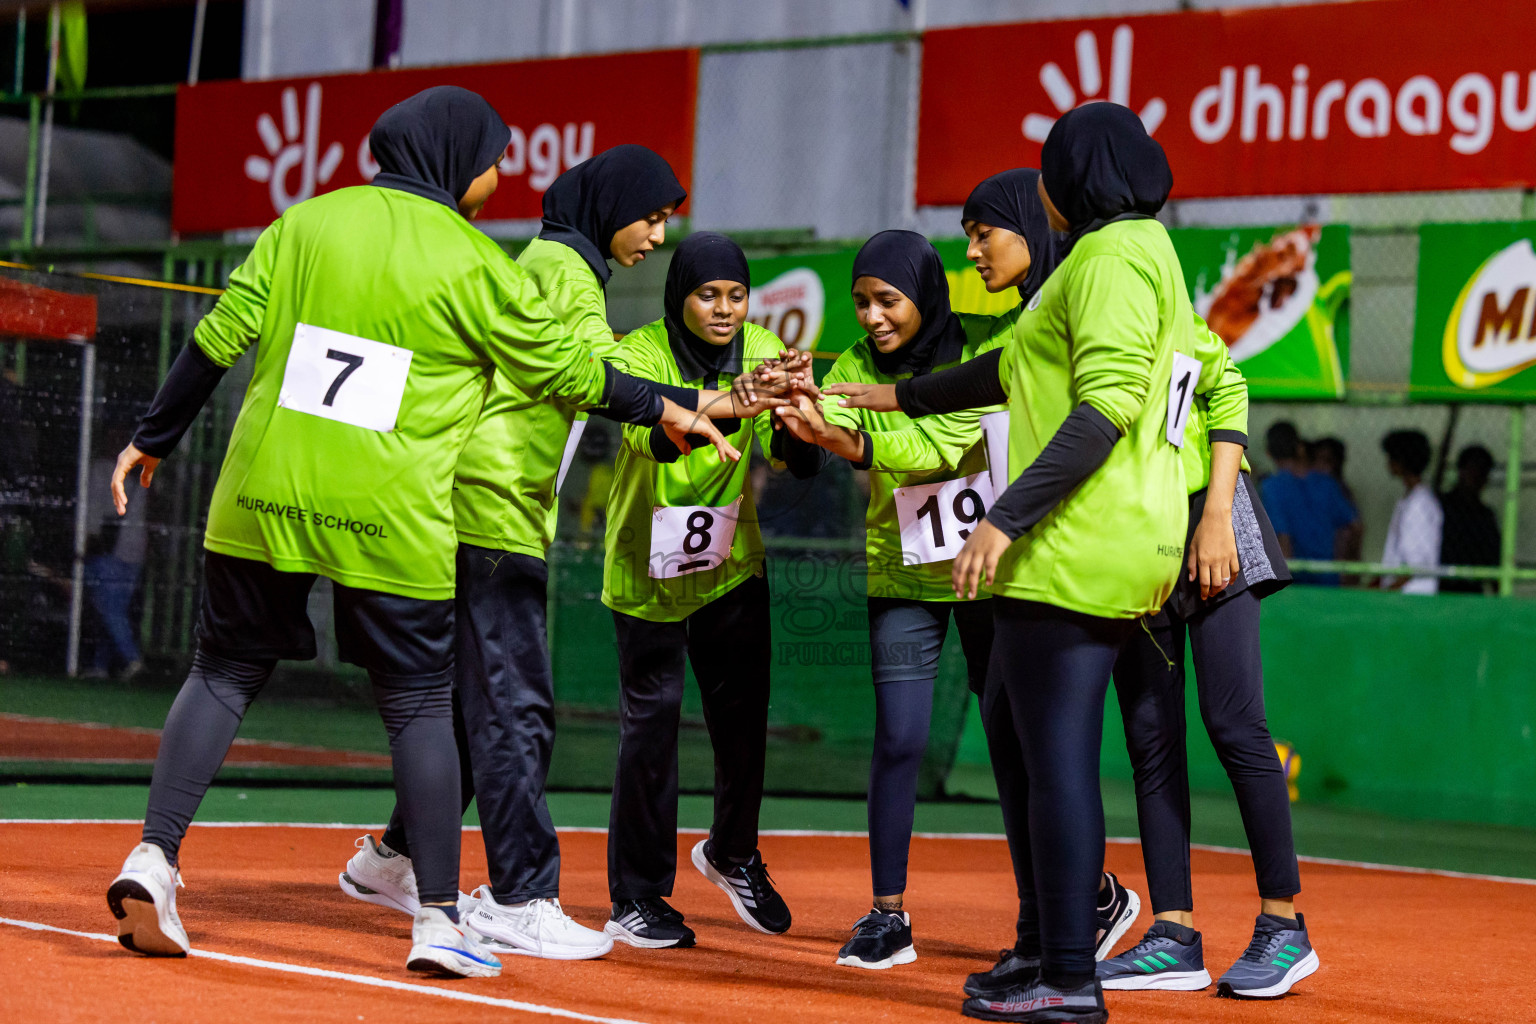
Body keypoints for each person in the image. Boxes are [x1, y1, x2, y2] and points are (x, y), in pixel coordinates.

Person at [103, 86, 731, 978]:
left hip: (259, 494)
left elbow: (220, 335)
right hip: (389, 513)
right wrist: (676, 403)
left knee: (223, 672)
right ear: (455, 157)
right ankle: (438, 918)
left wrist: (150, 439)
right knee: (421, 704)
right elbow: (568, 370)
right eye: (493, 156)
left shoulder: (305, 223)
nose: (501, 173)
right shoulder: (475, 263)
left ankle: (154, 857)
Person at [828, 103, 1240, 1024]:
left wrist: (1004, 520)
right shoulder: (1135, 256)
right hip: (1101, 541)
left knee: (1053, 766)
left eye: (1049, 170)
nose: (1042, 184)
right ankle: (1047, 957)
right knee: (1024, 748)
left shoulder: (1106, 261)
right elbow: (1003, 372)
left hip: (1076, 546)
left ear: (1074, 178)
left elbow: (1103, 409)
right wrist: (885, 396)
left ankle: (1067, 972)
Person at [336, 144, 762, 961]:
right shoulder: (566, 269)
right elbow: (590, 375)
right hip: (492, 506)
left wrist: (704, 402)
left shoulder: (553, 261)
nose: (659, 234)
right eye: (652, 216)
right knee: (515, 710)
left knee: (476, 705)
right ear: (611, 207)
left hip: (481, 503)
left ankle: (389, 860)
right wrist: (708, 399)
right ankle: (518, 895)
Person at [771, 227, 1020, 970]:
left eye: (888, 300)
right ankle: (887, 915)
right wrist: (802, 419)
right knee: (900, 739)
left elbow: (941, 445)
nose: (873, 316)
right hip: (902, 573)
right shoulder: (849, 363)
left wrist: (862, 446)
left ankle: (1062, 902)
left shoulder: (977, 355)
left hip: (988, 575)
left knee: (1015, 742)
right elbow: (830, 431)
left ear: (924, 295)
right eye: (861, 302)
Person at [1094, 335, 1316, 999]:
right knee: (1150, 735)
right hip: (1135, 531)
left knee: (1234, 723)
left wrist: (1218, 511)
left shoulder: (1153, 301)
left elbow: (1231, 388)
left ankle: (1284, 925)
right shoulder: (1056, 316)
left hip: (1210, 508)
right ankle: (1173, 935)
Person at [601, 232, 793, 949]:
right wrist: (731, 404)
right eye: (708, 294)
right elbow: (646, 433)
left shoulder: (763, 346)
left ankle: (733, 853)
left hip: (731, 565)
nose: (724, 309)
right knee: (650, 733)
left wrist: (799, 419)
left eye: (736, 295)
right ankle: (638, 896)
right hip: (645, 568)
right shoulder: (637, 353)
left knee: (743, 727)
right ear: (679, 293)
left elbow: (788, 456)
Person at [1260, 422, 1358, 585]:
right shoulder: (1327, 483)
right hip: (1329, 577)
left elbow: (1282, 538)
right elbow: (1354, 527)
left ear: (1268, 453)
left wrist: (1283, 583)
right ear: (1299, 448)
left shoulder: (1272, 487)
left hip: (1296, 579)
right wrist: (1346, 568)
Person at [1380, 429, 1441, 594]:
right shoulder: (1408, 500)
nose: (1388, 463)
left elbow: (1416, 565)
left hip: (1411, 597)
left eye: (1391, 458)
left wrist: (1387, 592)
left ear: (1402, 461)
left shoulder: (1419, 504)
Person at [1439, 444, 1500, 594]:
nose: (1477, 477)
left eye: (1483, 472)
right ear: (1461, 471)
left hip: (1471, 589)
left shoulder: (1485, 515)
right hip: (1441, 585)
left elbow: (1494, 557)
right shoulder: (1441, 506)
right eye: (1473, 470)